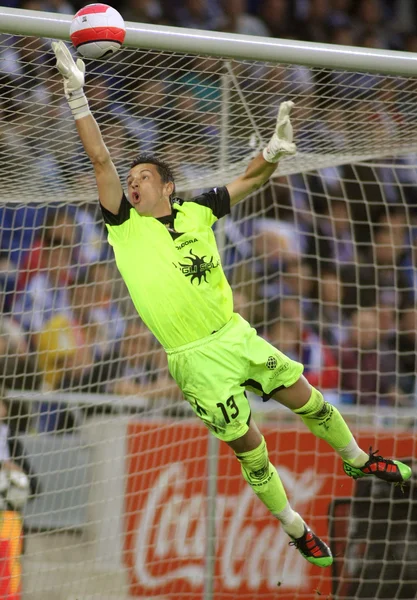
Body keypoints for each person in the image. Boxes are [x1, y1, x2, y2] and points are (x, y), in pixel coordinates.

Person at [52, 40, 412, 569]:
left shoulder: (198, 211)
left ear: (168, 187)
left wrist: (272, 150)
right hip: (194, 357)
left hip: (234, 333)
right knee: (250, 446)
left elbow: (249, 179)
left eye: (142, 178)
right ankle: (294, 526)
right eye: (129, 181)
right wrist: (77, 97)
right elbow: (101, 158)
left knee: (306, 398)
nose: (131, 183)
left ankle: (359, 461)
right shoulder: (124, 229)